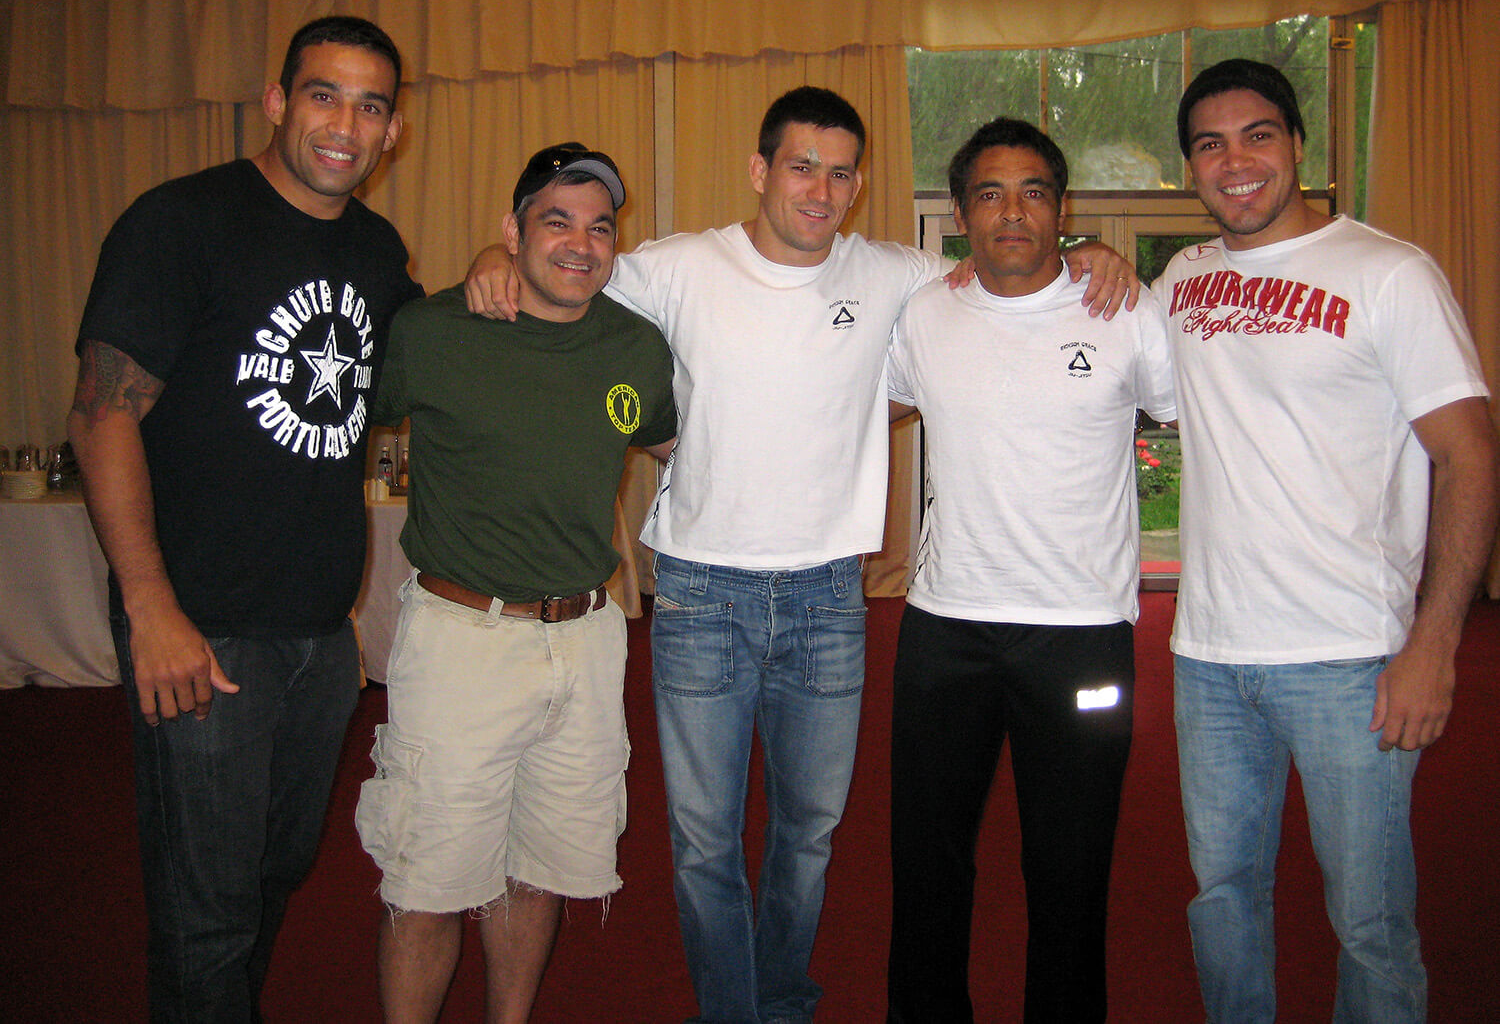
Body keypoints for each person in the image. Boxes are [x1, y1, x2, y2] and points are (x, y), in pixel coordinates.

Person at [465, 87, 1138, 1024]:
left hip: (829, 597)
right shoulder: (680, 266)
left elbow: (1006, 261)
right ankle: (731, 1011)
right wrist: (492, 258)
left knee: (810, 834)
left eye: (840, 173)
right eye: (800, 166)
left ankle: (781, 1000)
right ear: (760, 170)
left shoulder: (895, 275)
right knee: (705, 841)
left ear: (859, 185)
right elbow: (566, 271)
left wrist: (1088, 250)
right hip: (701, 592)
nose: (820, 190)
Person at [68, 16, 420, 1020]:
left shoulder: (375, 249)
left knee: (273, 871)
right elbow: (100, 418)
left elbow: (425, 364)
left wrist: (494, 258)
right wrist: (150, 607)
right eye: (323, 94)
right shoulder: (182, 222)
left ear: (393, 130)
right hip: (202, 625)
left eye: (370, 105)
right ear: (276, 102)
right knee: (207, 909)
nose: (345, 124)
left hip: (319, 632)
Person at [1162, 58, 1499, 1022]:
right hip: (1209, 655)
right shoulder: (1182, 280)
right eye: (1211, 144)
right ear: (1190, 167)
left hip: (1349, 656)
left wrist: (1435, 642)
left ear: (1299, 144)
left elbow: (1469, 455)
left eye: (1258, 135)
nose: (1235, 162)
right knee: (1222, 895)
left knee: (1371, 920)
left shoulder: (1388, 273)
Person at [355, 143, 676, 1023]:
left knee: (540, 869)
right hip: (464, 641)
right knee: (427, 881)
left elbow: (674, 442)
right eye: (556, 221)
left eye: (599, 227)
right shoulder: (434, 331)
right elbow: (336, 427)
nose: (581, 243)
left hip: (587, 638)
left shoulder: (635, 347)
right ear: (512, 231)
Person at [883, 118, 1176, 1023]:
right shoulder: (926, 313)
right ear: (961, 213)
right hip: (945, 629)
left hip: (1082, 637)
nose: (1012, 212)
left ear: (1061, 207)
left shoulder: (1127, 310)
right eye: (990, 194)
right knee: (927, 859)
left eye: (1033, 192)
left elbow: (1196, 418)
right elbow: (851, 400)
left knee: (1072, 862)